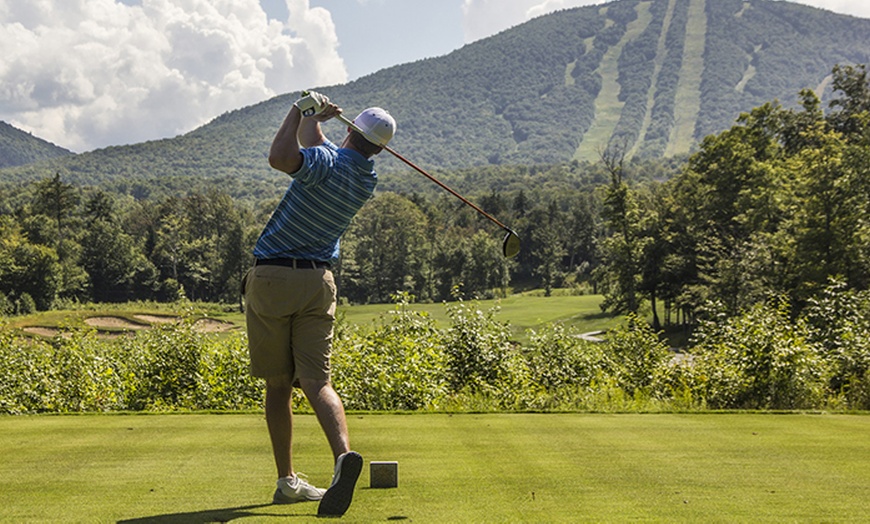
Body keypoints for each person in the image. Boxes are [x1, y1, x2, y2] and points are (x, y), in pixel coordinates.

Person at [244, 90, 396, 517]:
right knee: (317, 381)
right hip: (319, 282)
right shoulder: (365, 178)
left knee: (278, 383)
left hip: (274, 275)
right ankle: (343, 456)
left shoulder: (328, 163)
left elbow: (281, 157)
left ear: (351, 130)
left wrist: (298, 110)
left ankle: (287, 480)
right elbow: (318, 147)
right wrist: (318, 119)